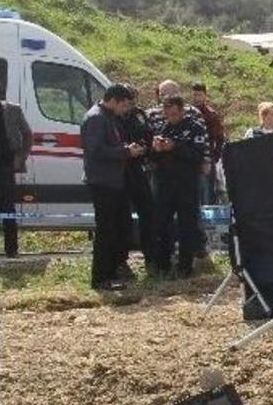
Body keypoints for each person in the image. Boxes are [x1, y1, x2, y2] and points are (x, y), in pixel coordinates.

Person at [81, 84, 142, 290]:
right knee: (105, 230)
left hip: (113, 181)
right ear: (113, 100)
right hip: (103, 182)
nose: (124, 109)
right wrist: (125, 152)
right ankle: (100, 278)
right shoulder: (96, 118)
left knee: (115, 229)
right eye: (123, 105)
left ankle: (111, 271)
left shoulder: (108, 117)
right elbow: (96, 150)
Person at [150, 95, 208, 278]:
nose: (171, 118)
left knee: (187, 226)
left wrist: (175, 147)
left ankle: (185, 266)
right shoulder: (163, 128)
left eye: (174, 114)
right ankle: (163, 265)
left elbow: (198, 155)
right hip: (165, 184)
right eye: (168, 115)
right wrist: (157, 149)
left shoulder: (195, 128)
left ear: (182, 111)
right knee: (161, 224)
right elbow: (152, 159)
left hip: (186, 184)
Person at [116, 85, 156, 275]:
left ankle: (152, 258)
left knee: (148, 213)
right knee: (122, 218)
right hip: (120, 171)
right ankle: (121, 260)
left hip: (138, 169)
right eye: (127, 100)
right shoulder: (111, 118)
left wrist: (144, 148)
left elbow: (149, 134)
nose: (130, 104)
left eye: (133, 100)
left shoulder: (139, 115)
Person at [0, 84, 33, 258]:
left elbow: (27, 134)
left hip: (5, 166)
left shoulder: (13, 110)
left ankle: (11, 250)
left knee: (7, 208)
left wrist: (21, 157)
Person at [190, 82, 225, 204]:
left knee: (207, 194)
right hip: (190, 158)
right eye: (194, 95)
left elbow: (220, 137)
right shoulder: (187, 113)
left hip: (207, 159)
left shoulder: (211, 115)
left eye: (199, 95)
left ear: (205, 95)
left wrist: (215, 156)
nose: (197, 98)